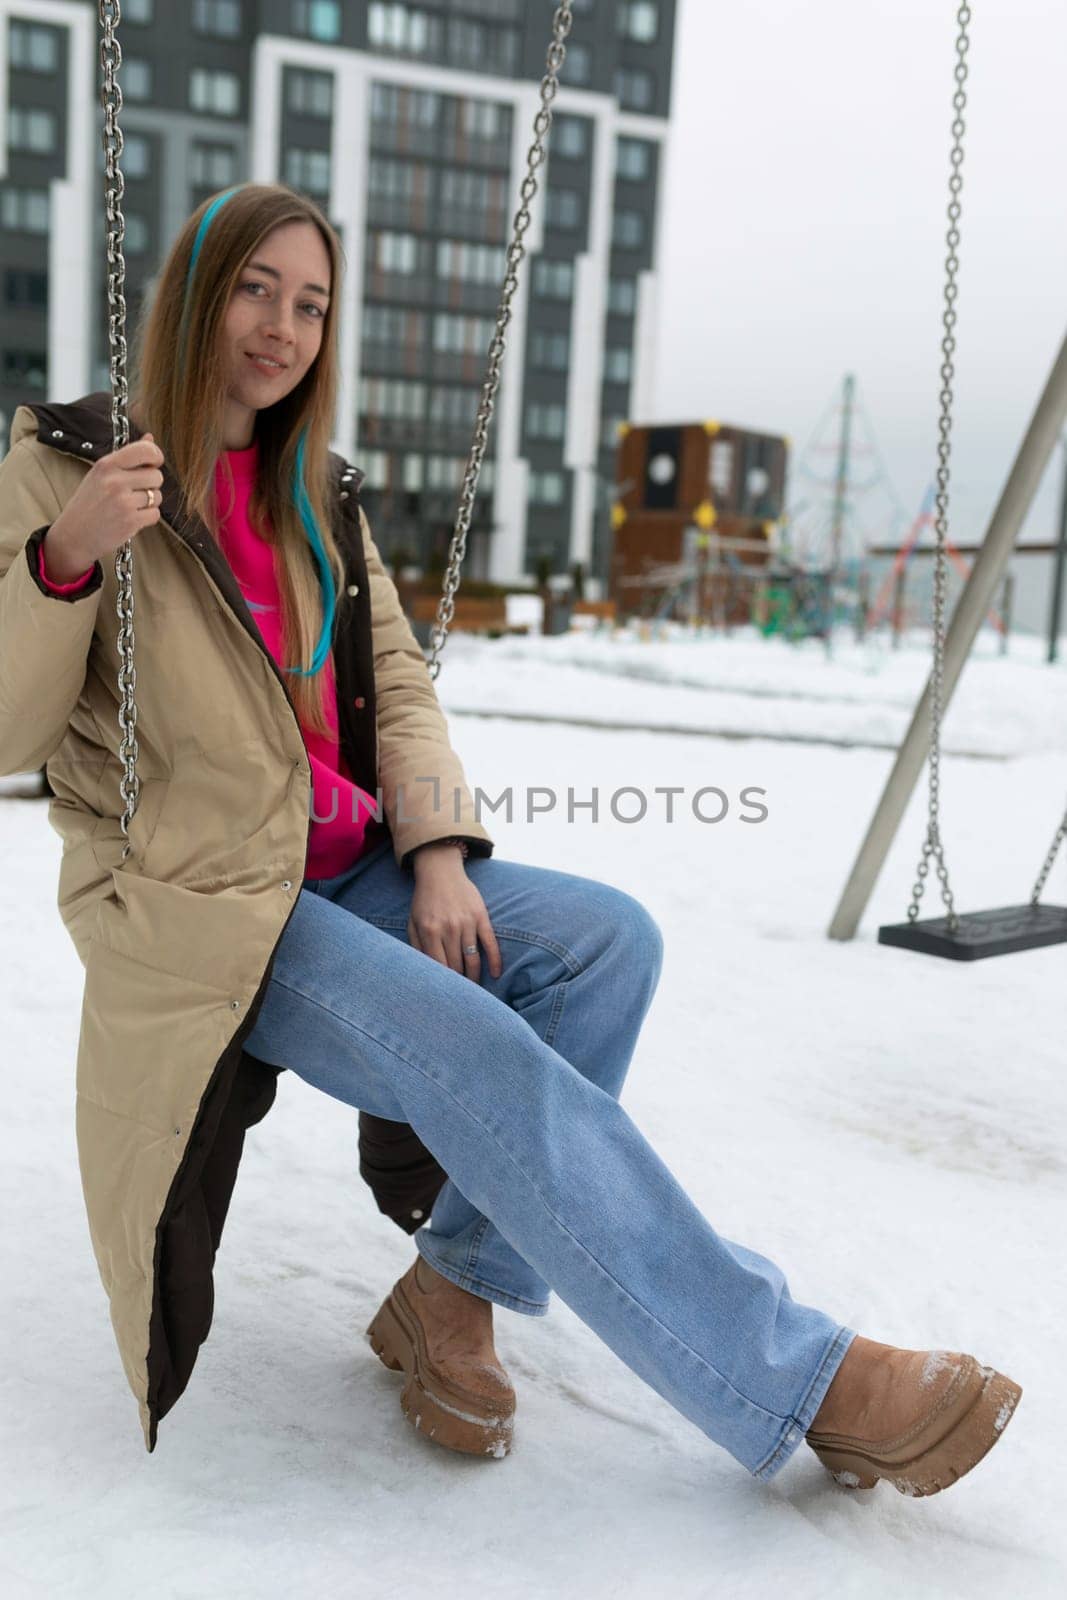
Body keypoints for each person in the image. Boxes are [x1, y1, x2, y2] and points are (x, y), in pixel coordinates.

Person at [0, 184, 1020, 1496]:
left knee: (604, 946)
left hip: (353, 870)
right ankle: (806, 1378)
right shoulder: (69, 464)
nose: (283, 326)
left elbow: (400, 687)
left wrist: (434, 853)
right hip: (203, 899)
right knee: (481, 1048)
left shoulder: (319, 495)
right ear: (196, 289)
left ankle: (454, 1292)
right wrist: (63, 557)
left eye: (311, 303)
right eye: (256, 287)